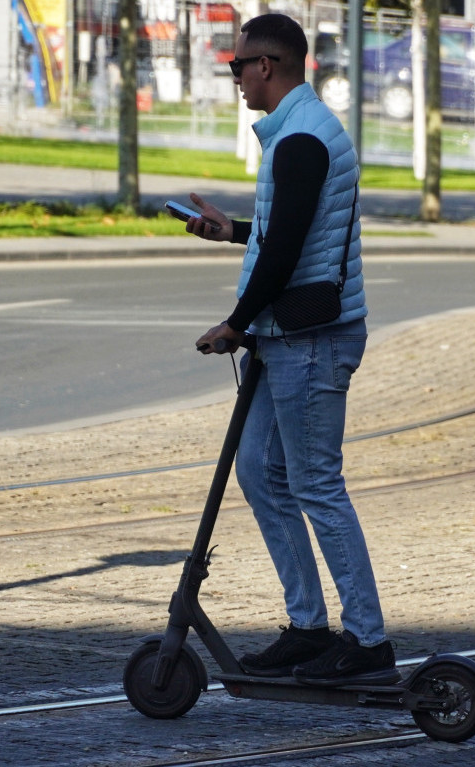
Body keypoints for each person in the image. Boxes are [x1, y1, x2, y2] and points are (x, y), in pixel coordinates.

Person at [182, 13, 397, 688]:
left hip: (310, 340)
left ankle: (367, 638)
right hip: (290, 336)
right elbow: (287, 233)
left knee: (314, 484)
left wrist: (236, 321)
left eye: (236, 66)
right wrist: (231, 232)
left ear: (266, 66)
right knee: (260, 472)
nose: (235, 77)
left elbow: (284, 252)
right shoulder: (296, 132)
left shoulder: (301, 138)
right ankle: (308, 625)